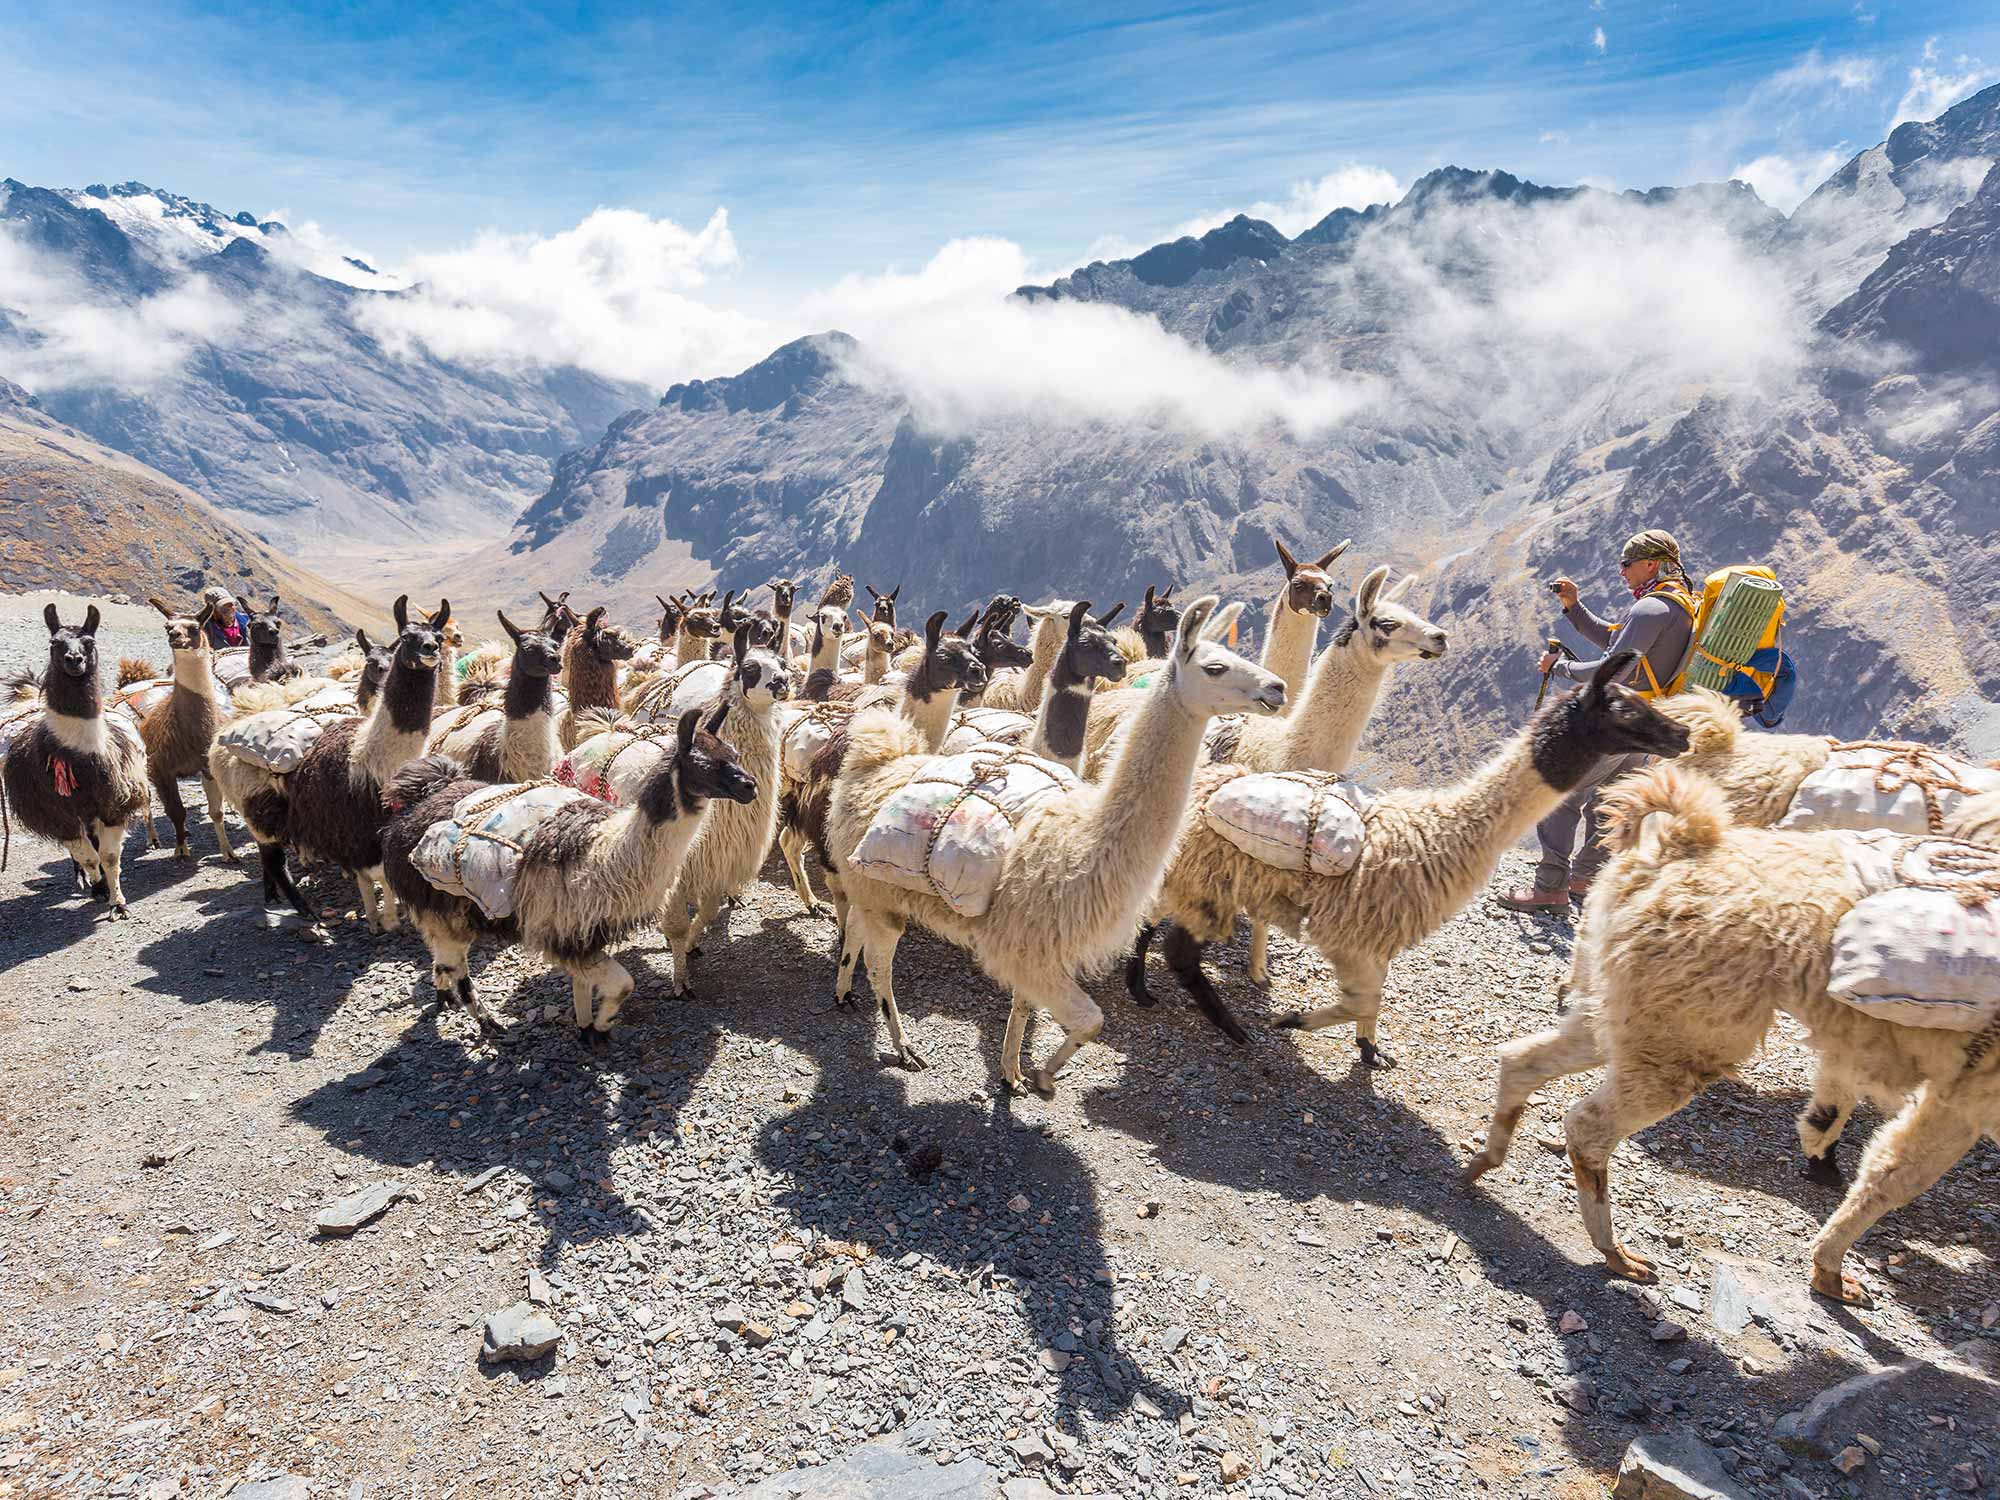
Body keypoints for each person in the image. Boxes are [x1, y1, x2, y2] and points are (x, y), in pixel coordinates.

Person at [1498, 528, 1697, 912]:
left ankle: (1550, 887)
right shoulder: (1678, 605)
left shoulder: (1650, 608)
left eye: (1627, 564)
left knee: (1560, 793)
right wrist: (1574, 607)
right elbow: (1616, 639)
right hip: (1642, 725)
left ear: (1651, 563)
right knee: (1609, 802)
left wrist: (1562, 667)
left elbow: (1612, 668)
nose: (1622, 572)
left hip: (1614, 721)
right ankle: (1586, 878)